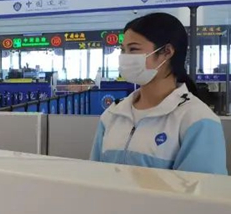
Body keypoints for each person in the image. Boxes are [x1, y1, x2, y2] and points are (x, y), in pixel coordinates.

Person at [91, 12, 227, 174]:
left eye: (133, 49)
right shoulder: (113, 114)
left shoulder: (197, 120)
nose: (125, 58)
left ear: (167, 52)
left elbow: (201, 187)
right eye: (123, 50)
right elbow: (95, 176)